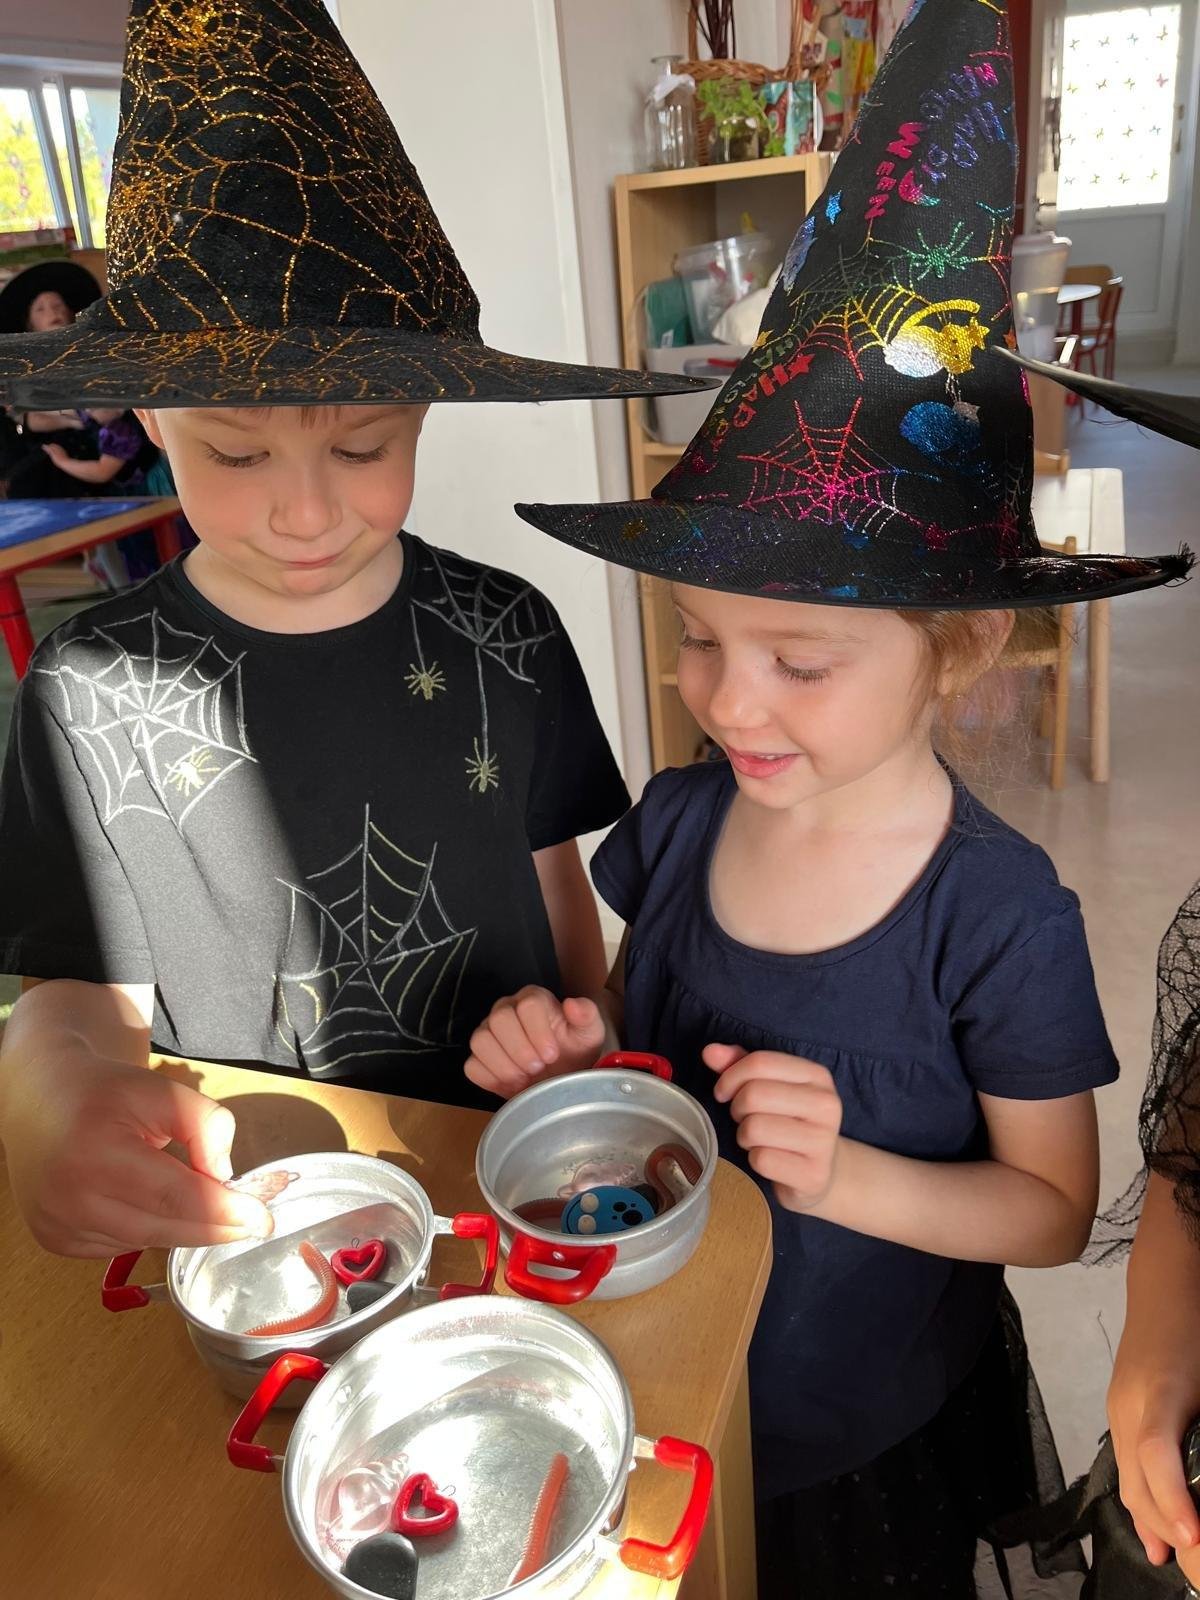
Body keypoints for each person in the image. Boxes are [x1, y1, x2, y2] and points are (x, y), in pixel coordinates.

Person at [469, 1, 1191, 1595]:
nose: (729, 701)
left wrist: (850, 1174)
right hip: (671, 1373)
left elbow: (1051, 1211)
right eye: (701, 640)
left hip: (870, 1433)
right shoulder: (680, 819)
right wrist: (585, 1061)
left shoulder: (996, 915)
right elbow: (645, 1036)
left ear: (958, 649)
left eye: (799, 660)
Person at [0, 0, 702, 1261]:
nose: (309, 511)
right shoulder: (89, 684)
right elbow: (78, 996)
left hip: (511, 1180)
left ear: (425, 409)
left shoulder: (508, 629)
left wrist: (584, 1032)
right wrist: (46, 1097)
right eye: (236, 452)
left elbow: (558, 903)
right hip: (258, 1215)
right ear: (148, 413)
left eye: (366, 445)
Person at [0, 256, 103, 499]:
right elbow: (27, 419)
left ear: (70, 312)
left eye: (58, 305)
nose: (53, 312)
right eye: (41, 309)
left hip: (104, 466)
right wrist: (80, 417)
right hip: (45, 478)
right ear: (30, 324)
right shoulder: (20, 368)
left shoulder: (95, 356)